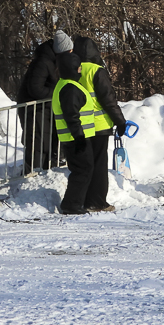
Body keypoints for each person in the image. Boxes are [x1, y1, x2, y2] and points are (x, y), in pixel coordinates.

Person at [51, 45, 121, 216]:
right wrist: (79, 137)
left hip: (77, 136)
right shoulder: (70, 88)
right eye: (78, 68)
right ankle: (71, 204)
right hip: (75, 137)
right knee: (82, 170)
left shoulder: (66, 84)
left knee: (85, 169)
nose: (81, 70)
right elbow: (72, 115)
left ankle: (75, 203)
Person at [19, 30, 70, 174]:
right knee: (37, 142)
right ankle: (31, 174)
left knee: (47, 141)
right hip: (33, 108)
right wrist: (57, 93)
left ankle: (45, 171)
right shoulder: (43, 62)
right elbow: (35, 88)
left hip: (45, 107)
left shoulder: (54, 62)